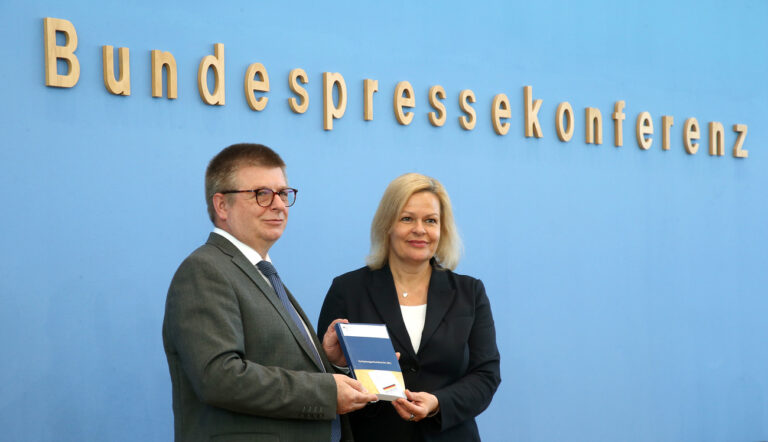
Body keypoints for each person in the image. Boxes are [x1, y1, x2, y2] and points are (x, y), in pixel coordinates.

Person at [163, 143, 377, 442]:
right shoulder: (204, 270)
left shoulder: (261, 272)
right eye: (261, 194)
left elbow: (275, 360)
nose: (278, 205)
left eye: (283, 193)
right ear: (222, 205)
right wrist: (326, 391)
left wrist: (329, 361)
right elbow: (220, 378)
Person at [318, 173, 501, 442]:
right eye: (407, 218)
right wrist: (336, 363)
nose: (420, 229)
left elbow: (486, 376)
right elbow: (319, 377)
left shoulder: (470, 292)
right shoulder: (347, 290)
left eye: (430, 220)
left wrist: (437, 402)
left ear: (442, 229)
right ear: (387, 225)